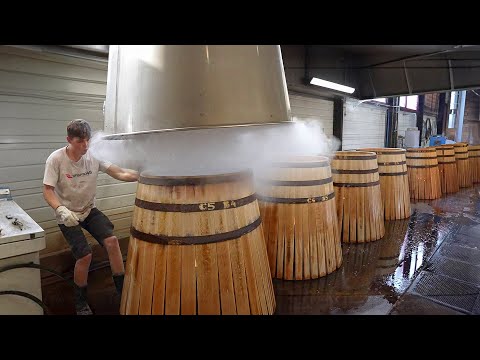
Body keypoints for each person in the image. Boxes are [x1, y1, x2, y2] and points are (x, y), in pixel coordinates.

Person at [43, 119, 139, 315]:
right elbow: (48, 190)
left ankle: (122, 290)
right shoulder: (56, 159)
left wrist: (144, 175)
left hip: (88, 209)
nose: (85, 146)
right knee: (85, 255)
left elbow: (119, 172)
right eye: (80, 141)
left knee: (112, 242)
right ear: (69, 139)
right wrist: (60, 209)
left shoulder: (93, 155)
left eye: (87, 140)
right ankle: (80, 302)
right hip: (68, 214)